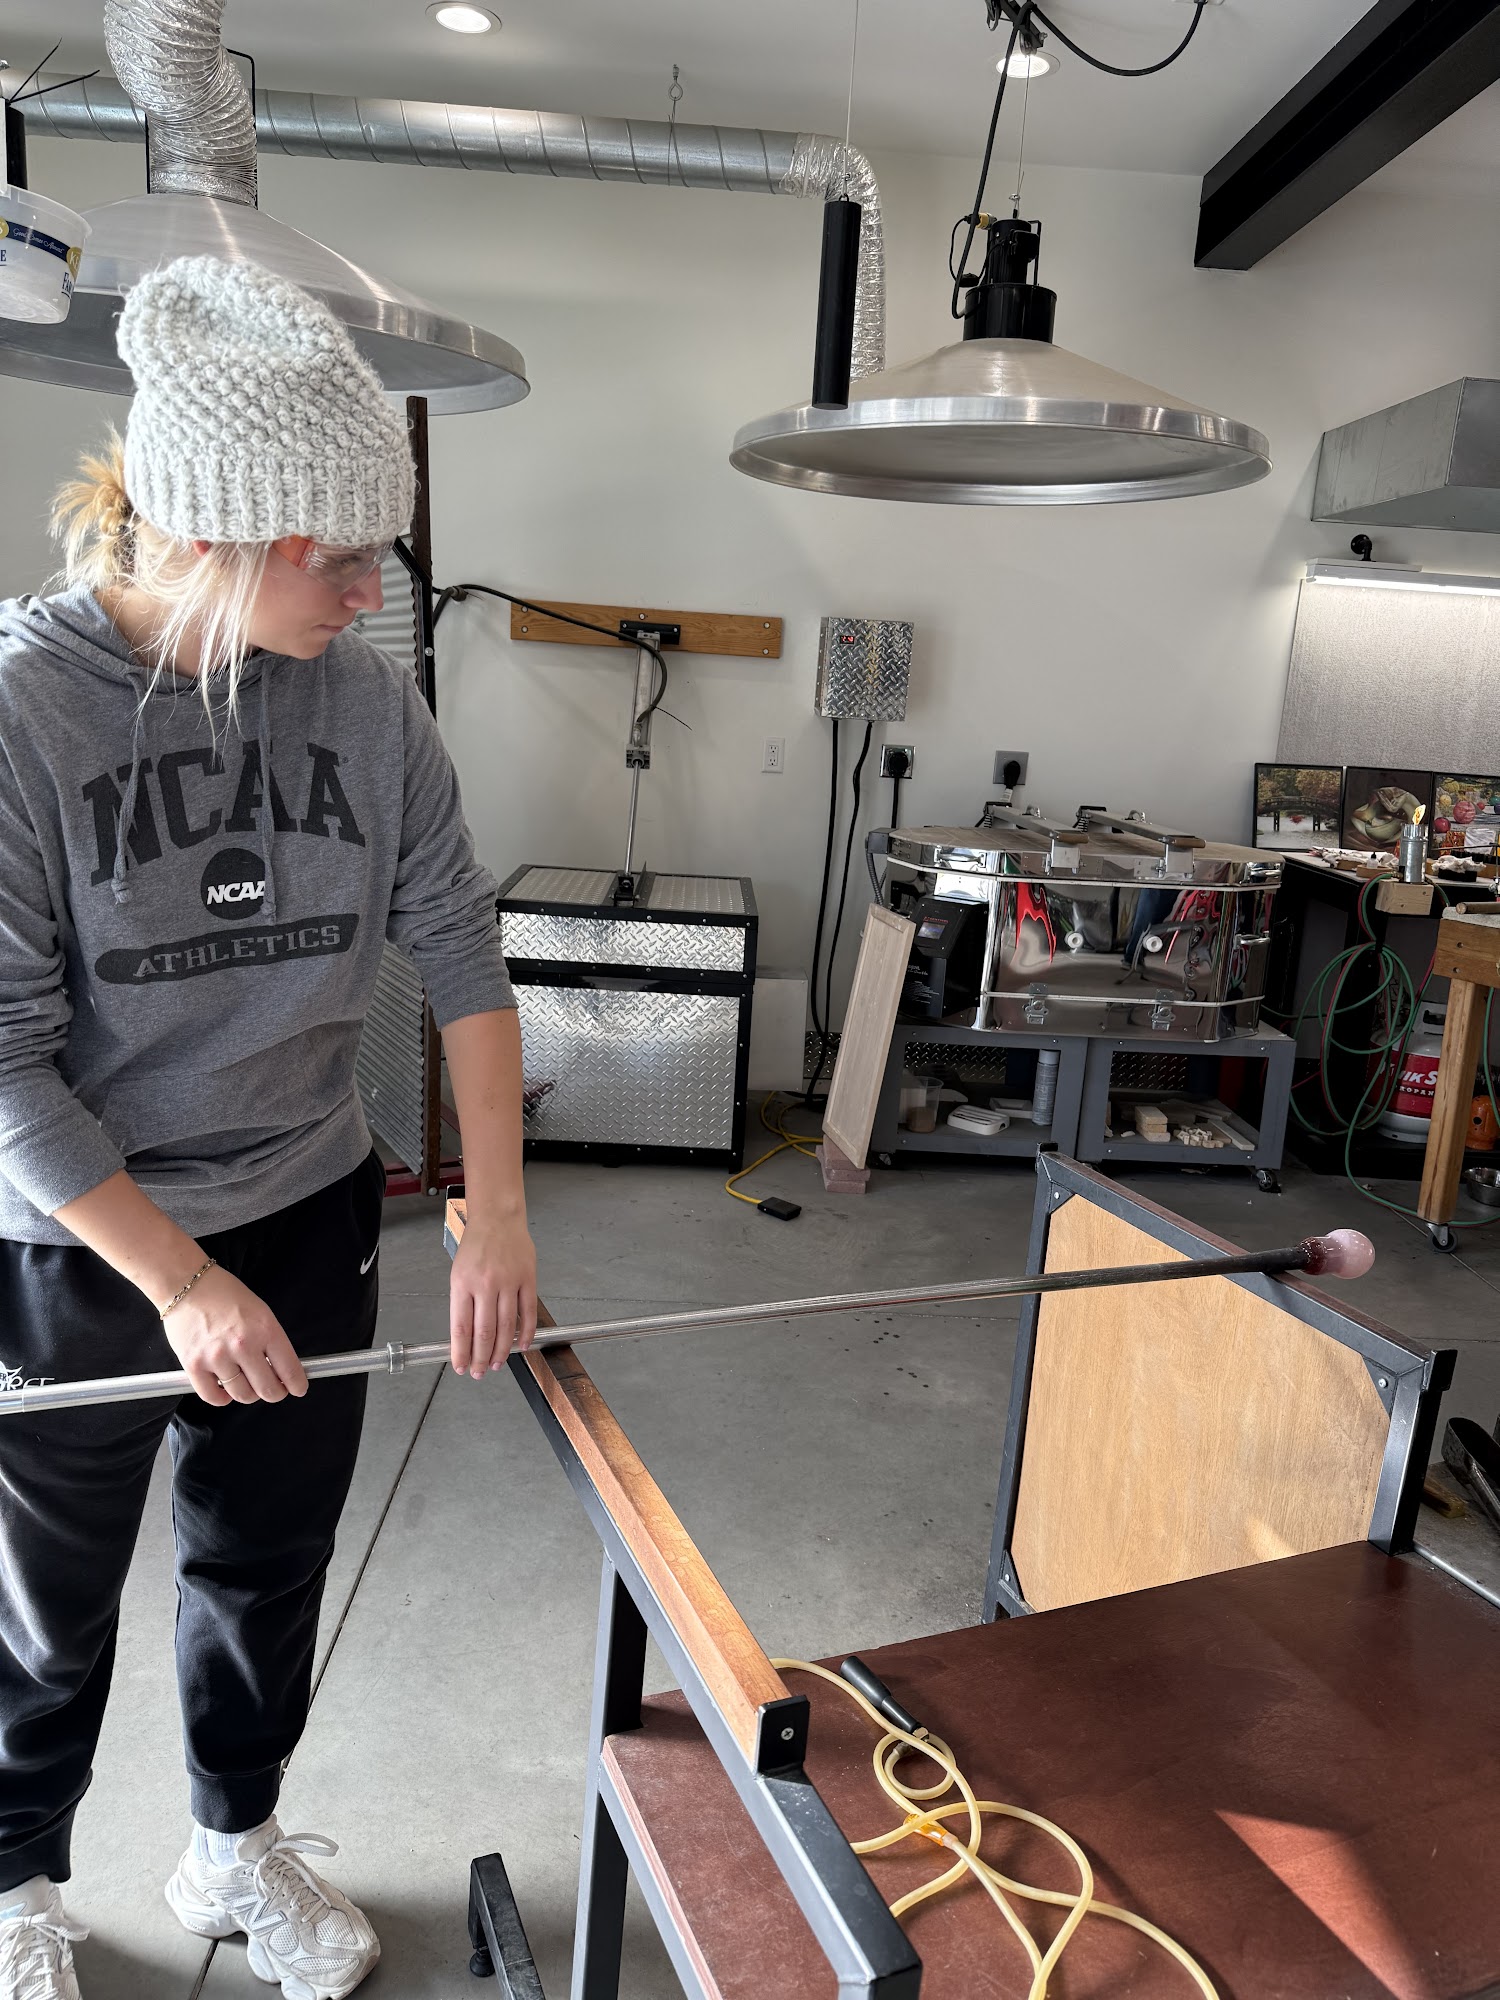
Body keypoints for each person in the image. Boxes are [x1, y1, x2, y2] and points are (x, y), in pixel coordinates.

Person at [0, 256, 536, 2000]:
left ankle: (232, 1845)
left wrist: (495, 1211)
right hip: (83, 1239)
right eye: (339, 554)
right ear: (208, 532)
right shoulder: (22, 713)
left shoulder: (366, 702)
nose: (375, 592)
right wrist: (174, 1280)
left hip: (306, 1200)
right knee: (46, 1600)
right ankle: (15, 1886)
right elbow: (2, 1063)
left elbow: (459, 945)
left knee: (264, 1559)